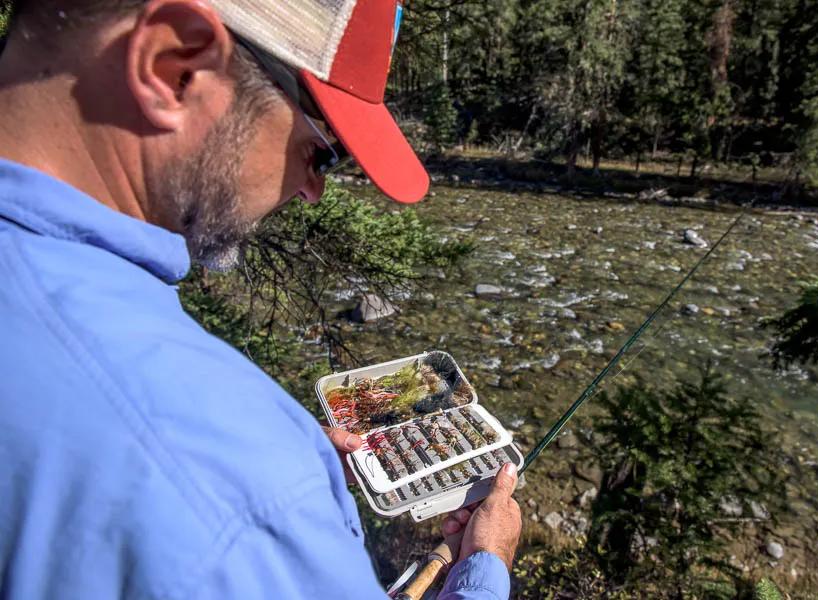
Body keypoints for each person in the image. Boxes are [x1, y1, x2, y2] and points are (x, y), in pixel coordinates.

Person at [0, 1, 521, 598]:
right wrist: (483, 568)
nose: (313, 191)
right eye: (322, 151)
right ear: (174, 68)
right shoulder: (236, 484)